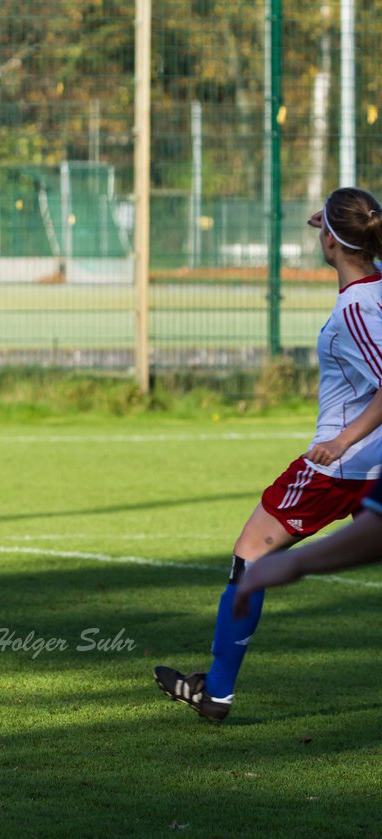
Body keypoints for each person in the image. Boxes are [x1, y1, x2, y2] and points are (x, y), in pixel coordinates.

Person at [155, 186, 382, 721]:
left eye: (323, 228)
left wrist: (342, 440)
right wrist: (334, 226)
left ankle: (216, 691)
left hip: (342, 466)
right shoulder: (375, 289)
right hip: (363, 462)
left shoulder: (357, 308)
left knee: (251, 552)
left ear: (331, 239)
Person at [231, 478, 382, 616]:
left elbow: (376, 529)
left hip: (337, 468)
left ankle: (227, 646)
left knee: (250, 551)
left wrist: (294, 563)